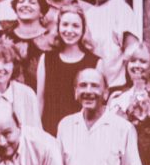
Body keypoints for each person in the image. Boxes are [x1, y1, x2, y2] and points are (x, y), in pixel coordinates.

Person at [35, 9, 102, 138]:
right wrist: (38, 133)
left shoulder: (95, 62)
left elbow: (98, 105)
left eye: (75, 26)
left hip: (82, 133)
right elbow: (40, 100)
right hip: (50, 131)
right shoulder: (47, 59)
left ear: (83, 29)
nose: (69, 30)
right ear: (58, 27)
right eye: (65, 24)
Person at [83, 0, 141, 87]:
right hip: (91, 89)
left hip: (115, 90)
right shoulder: (87, 15)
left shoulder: (122, 11)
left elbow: (133, 54)